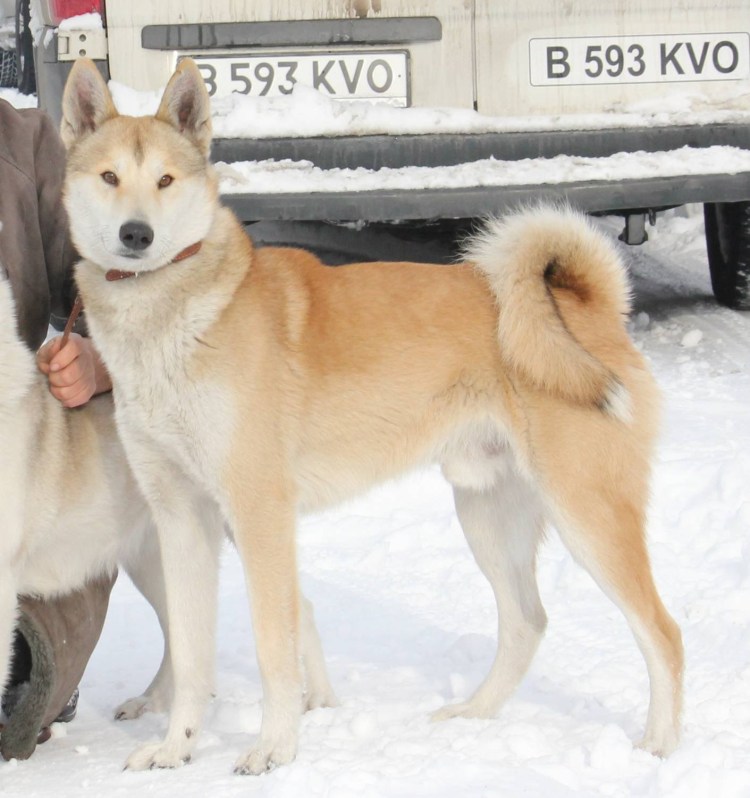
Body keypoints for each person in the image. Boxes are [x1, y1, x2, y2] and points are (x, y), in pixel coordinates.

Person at [0, 95, 115, 760]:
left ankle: (36, 662)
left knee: (25, 667)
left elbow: (122, 283)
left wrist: (101, 361)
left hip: (30, 468)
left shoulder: (26, 145)